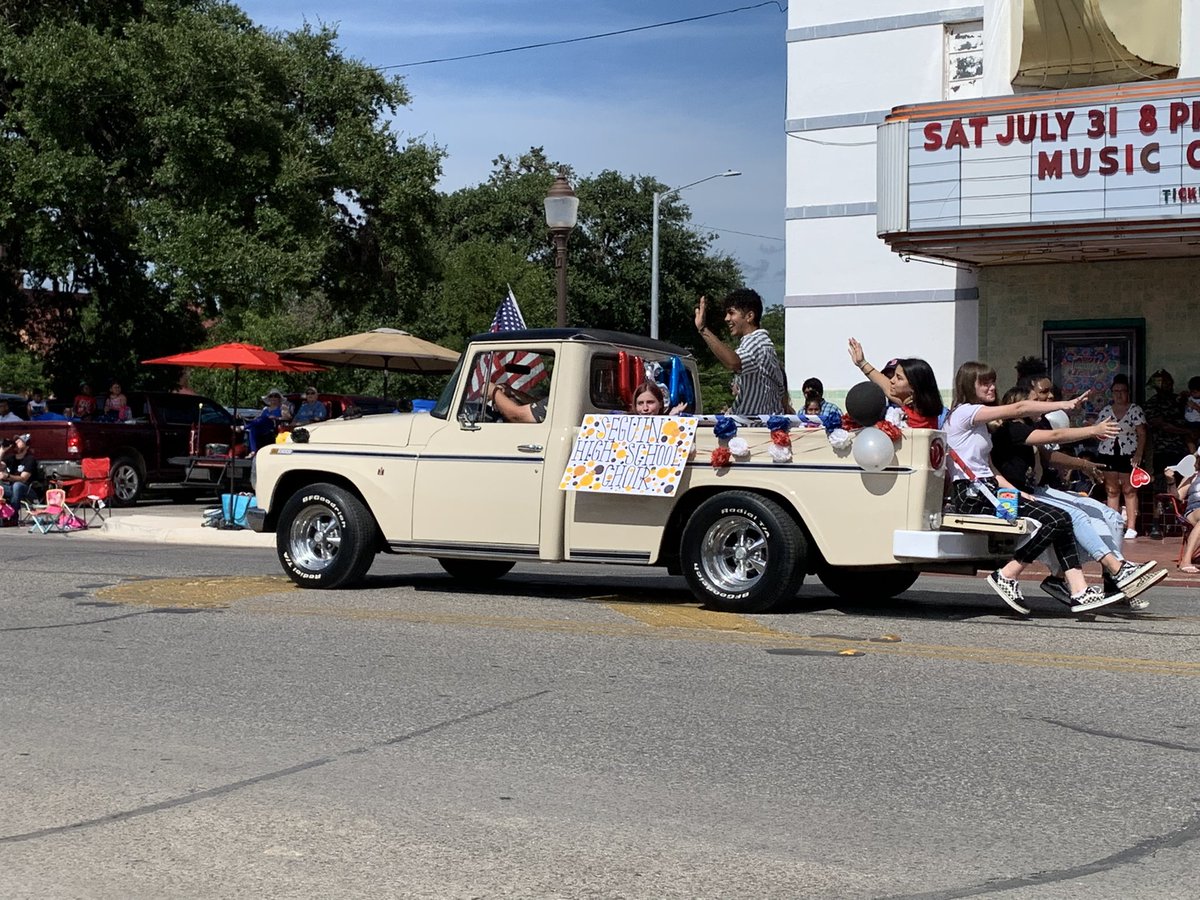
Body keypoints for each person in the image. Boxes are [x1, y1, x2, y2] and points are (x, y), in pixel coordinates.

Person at [945, 361, 1124, 614]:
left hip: (990, 490)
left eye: (993, 380)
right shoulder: (965, 413)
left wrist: (1016, 493)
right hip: (973, 495)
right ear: (968, 385)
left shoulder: (979, 423)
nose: (992, 386)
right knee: (1055, 520)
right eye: (984, 382)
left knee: (1061, 518)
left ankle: (1079, 590)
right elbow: (1020, 407)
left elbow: (990, 470)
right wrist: (1064, 404)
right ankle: (1007, 574)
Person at [992, 386, 1165, 610]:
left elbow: (1049, 454)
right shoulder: (1013, 429)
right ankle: (1115, 570)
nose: (1044, 403)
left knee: (1111, 516)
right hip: (1017, 495)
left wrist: (1084, 465)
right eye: (1038, 400)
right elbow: (1057, 436)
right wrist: (1093, 430)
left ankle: (1114, 582)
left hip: (1035, 489)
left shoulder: (1027, 426)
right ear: (1021, 404)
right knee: (1075, 517)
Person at [694, 288, 789, 415]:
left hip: (755, 429)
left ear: (750, 316)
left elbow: (733, 362)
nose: (726, 318)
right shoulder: (759, 343)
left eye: (731, 313)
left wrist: (703, 329)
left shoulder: (757, 342)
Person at [1094, 374, 1147, 539]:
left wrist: (1139, 453)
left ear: (1128, 392)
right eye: (1116, 391)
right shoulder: (1106, 411)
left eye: (1122, 391)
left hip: (1128, 452)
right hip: (1108, 452)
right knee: (1111, 489)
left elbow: (1142, 433)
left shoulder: (1135, 410)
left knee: (1129, 489)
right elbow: (1098, 431)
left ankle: (1131, 526)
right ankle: (1113, 524)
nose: (1119, 394)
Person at [847, 339, 943, 428]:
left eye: (899, 378)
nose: (892, 381)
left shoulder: (919, 417)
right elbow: (886, 387)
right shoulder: (912, 405)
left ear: (914, 387)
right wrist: (862, 363)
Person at [1144, 369, 1192, 493]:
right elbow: (1162, 425)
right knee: (1161, 489)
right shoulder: (1152, 404)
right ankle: (1159, 513)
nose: (1167, 385)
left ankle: (1179, 512)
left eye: (1168, 382)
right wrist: (1186, 431)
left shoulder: (1180, 401)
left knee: (1183, 486)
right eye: (1163, 382)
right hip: (1162, 451)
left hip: (1183, 451)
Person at [1168, 452, 1200, 573]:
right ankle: (1185, 561)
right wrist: (1171, 481)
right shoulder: (1193, 475)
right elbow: (1178, 496)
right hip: (1195, 509)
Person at [246, 388, 294, 453]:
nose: (273, 398)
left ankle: (244, 427)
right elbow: (257, 419)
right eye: (271, 396)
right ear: (269, 398)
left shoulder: (282, 407)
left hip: (272, 427)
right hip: (262, 427)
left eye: (276, 396)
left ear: (279, 398)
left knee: (265, 418)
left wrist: (276, 418)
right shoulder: (265, 409)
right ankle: (253, 451)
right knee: (253, 428)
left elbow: (288, 418)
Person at [0, 433, 38, 508]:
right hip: (11, 489)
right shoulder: (11, 458)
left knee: (17, 485)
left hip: (28, 490)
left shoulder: (30, 459)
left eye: (20, 441)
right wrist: (2, 451)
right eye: (16, 440)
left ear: (27, 446)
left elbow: (23, 479)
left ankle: (13, 515)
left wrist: (7, 476)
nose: (16, 442)